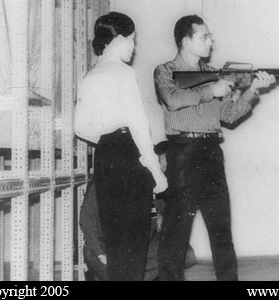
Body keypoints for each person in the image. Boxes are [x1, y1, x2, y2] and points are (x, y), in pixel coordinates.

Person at [154, 15, 275, 281]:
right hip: (183, 151)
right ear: (186, 41)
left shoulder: (214, 75)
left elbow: (230, 115)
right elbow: (172, 100)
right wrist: (212, 91)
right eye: (204, 37)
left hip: (211, 152)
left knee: (222, 233)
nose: (211, 41)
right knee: (176, 233)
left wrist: (253, 90)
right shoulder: (165, 71)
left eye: (210, 36)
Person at [74, 12, 167, 281]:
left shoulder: (89, 75)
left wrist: (107, 139)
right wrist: (157, 173)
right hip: (129, 154)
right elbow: (139, 126)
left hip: (104, 155)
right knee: (134, 240)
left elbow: (80, 127)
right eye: (132, 39)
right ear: (118, 39)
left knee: (114, 239)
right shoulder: (123, 73)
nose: (133, 46)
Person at [79, 141, 195, 281]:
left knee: (186, 254)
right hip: (106, 249)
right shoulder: (102, 181)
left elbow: (150, 227)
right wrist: (100, 254)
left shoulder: (148, 182)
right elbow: (86, 219)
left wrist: (159, 220)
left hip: (135, 249)